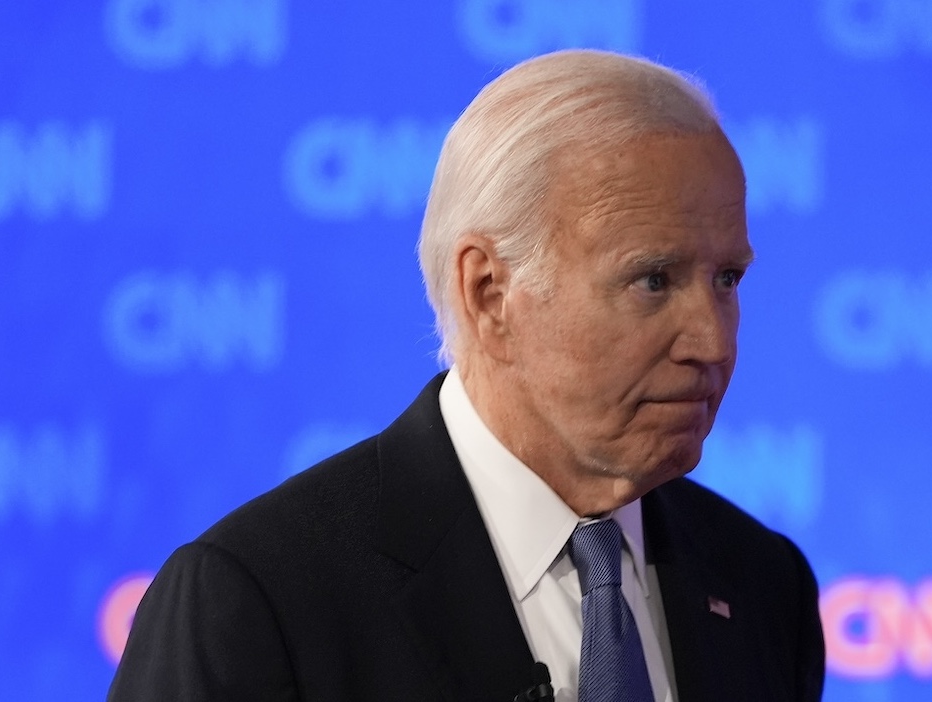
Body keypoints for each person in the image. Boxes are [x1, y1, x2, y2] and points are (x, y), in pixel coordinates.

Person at [109, 49, 825, 702]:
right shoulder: (259, 599)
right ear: (489, 293)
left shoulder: (761, 583)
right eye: (653, 279)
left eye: (726, 278)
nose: (711, 340)